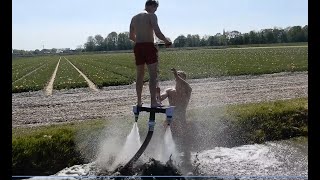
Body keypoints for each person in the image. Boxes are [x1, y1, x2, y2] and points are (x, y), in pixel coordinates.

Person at [129, 0, 172, 107]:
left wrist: (139, 41)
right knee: (153, 75)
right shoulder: (151, 16)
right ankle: (153, 102)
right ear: (152, 6)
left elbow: (131, 36)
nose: (156, 10)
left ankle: (139, 101)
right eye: (155, 8)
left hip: (138, 47)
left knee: (140, 75)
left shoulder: (134, 18)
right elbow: (157, 32)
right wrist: (166, 41)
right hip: (149, 46)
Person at [159, 68, 193, 172]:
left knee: (184, 138)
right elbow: (160, 98)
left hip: (181, 118)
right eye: (176, 77)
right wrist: (156, 93)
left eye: (180, 77)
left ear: (184, 80)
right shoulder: (170, 90)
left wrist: (176, 76)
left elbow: (186, 85)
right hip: (170, 119)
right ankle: (165, 157)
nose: (177, 79)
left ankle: (187, 158)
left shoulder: (187, 90)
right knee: (166, 136)